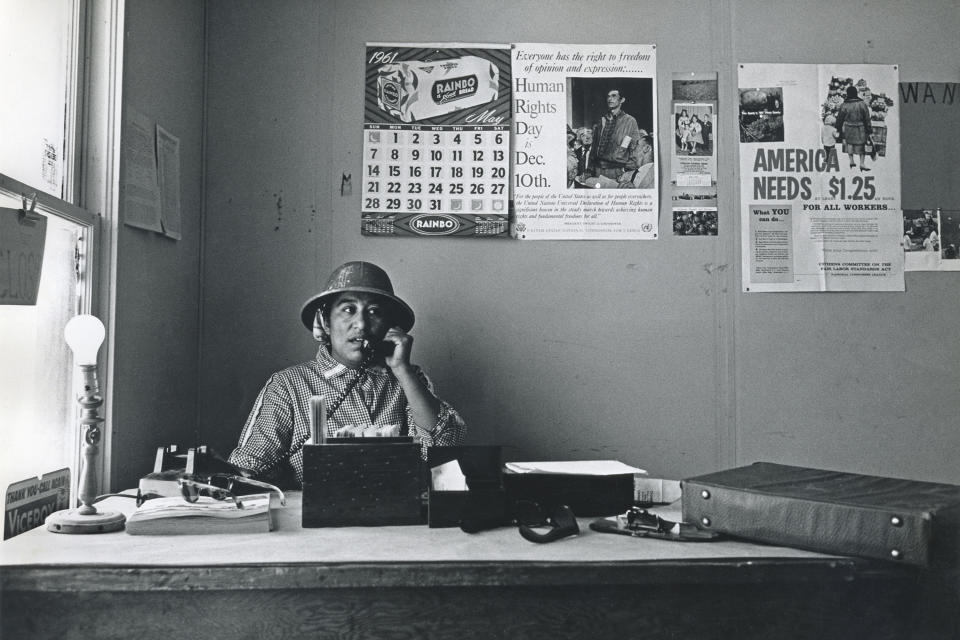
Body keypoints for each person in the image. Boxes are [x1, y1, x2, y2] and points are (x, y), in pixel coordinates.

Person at [228, 261, 466, 486]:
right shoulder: (288, 385)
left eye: (374, 311)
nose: (361, 324)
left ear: (389, 325)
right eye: (348, 309)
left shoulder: (409, 381)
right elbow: (249, 467)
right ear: (325, 322)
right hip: (314, 521)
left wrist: (402, 370)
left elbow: (443, 450)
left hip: (397, 519)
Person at [591, 88, 641, 181]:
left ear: (622, 100)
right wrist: (589, 171)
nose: (610, 99)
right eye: (608, 96)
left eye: (614, 96)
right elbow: (594, 148)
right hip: (598, 170)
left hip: (617, 171)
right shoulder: (602, 120)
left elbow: (635, 148)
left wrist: (627, 170)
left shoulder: (629, 121)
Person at [835, 85, 873, 171]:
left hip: (848, 128)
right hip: (860, 128)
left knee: (850, 144)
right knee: (862, 145)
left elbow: (839, 119)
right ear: (856, 93)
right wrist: (869, 130)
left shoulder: (844, 105)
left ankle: (851, 161)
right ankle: (862, 164)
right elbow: (867, 118)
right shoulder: (862, 104)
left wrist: (838, 129)